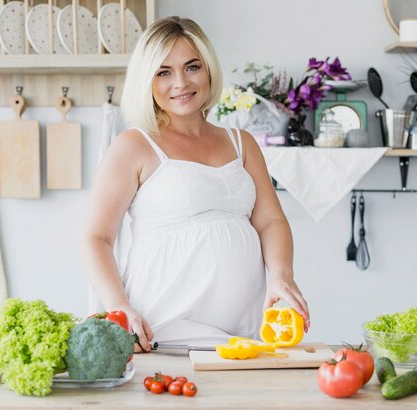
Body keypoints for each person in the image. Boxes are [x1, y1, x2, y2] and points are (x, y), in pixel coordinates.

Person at [82, 16, 310, 352]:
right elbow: (96, 238)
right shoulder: (134, 145)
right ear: (147, 79)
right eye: (164, 72)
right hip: (160, 334)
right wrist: (119, 308)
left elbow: (271, 221)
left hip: (239, 339)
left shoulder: (242, 143)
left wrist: (281, 274)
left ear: (208, 70)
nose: (180, 83)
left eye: (192, 67)